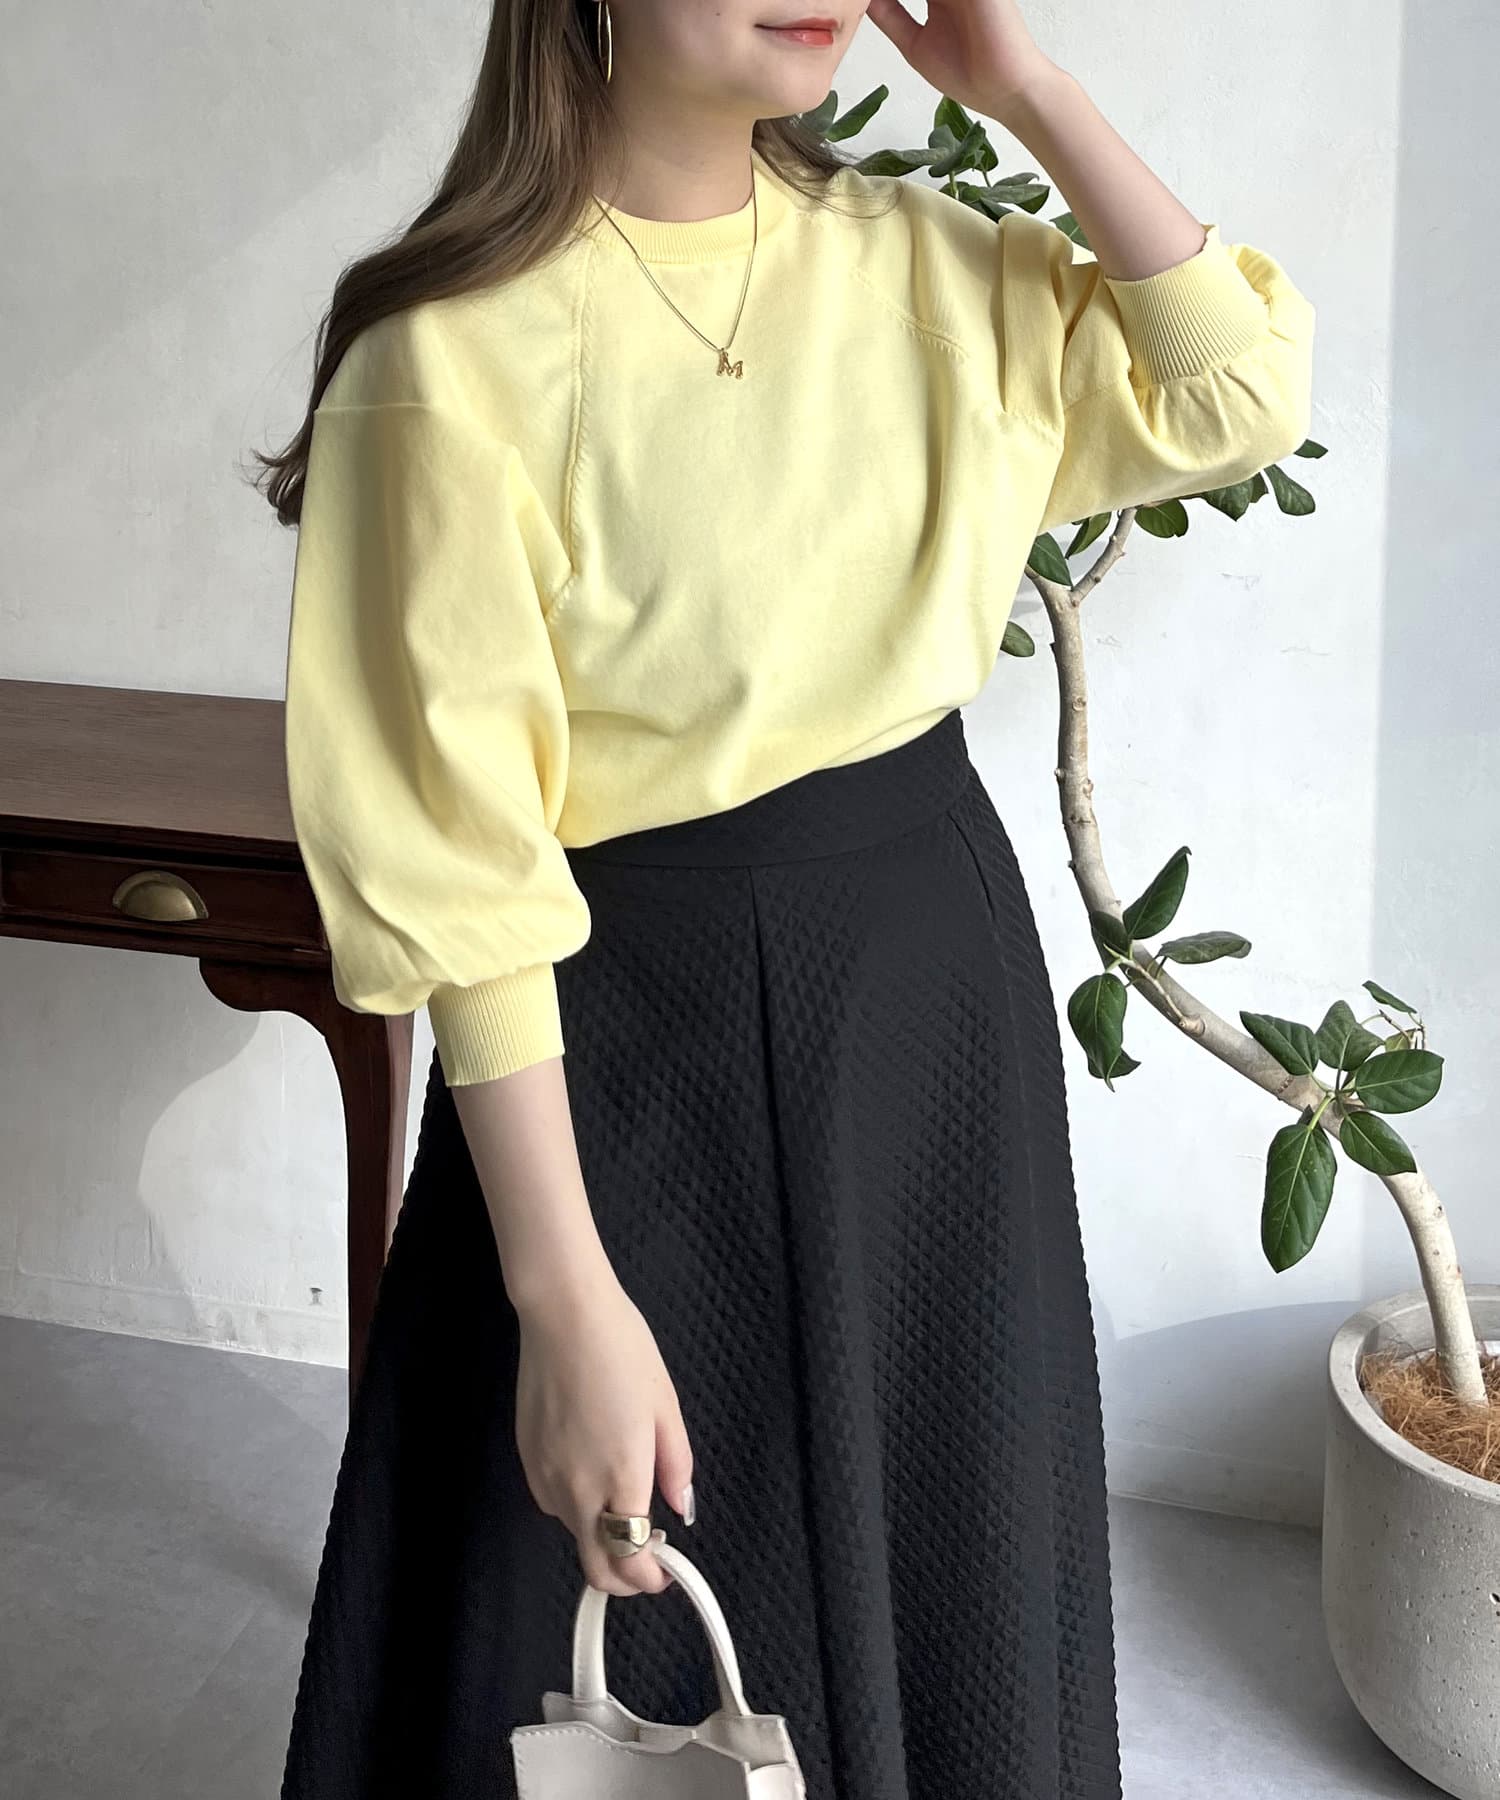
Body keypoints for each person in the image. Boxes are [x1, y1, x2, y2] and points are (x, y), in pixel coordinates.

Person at [255, 1, 1315, 1795]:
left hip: (931, 995)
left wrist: (1029, 90)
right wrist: (562, 1294)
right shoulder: (446, 359)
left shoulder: (928, 263)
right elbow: (460, 863)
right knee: (619, 1581)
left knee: (950, 1535)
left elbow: (1236, 395)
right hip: (620, 1043)